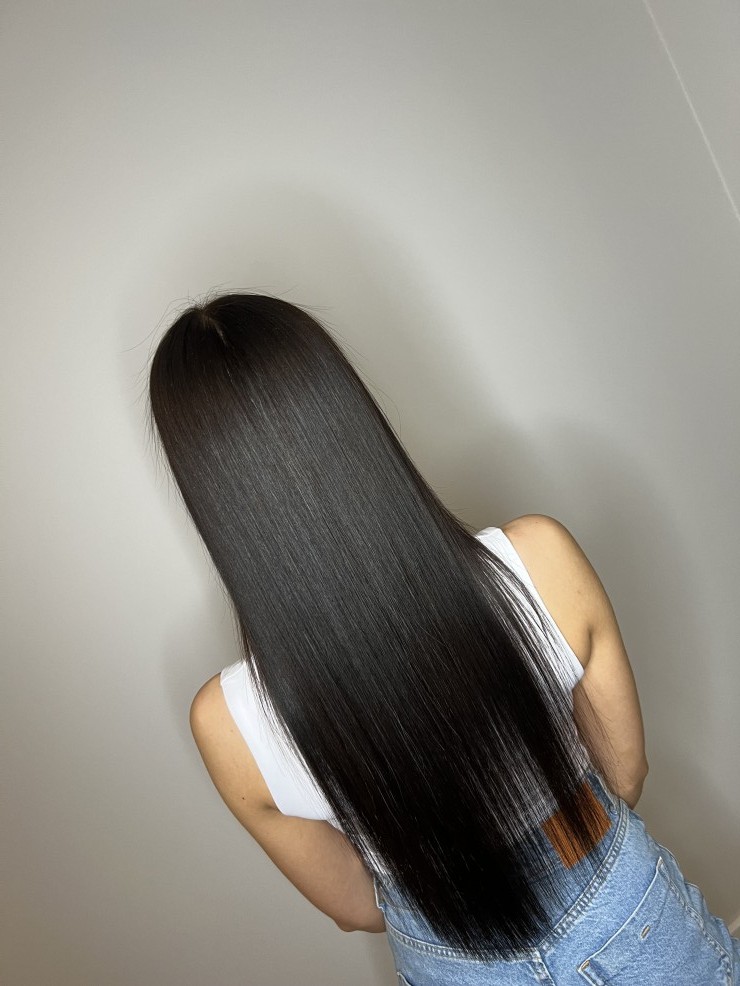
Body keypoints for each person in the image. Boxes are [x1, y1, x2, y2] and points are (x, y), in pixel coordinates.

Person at [147, 292, 739, 985]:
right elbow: (625, 772)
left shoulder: (225, 726)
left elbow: (357, 907)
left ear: (207, 492)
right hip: (615, 904)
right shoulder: (539, 560)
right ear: (349, 416)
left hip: (449, 958)